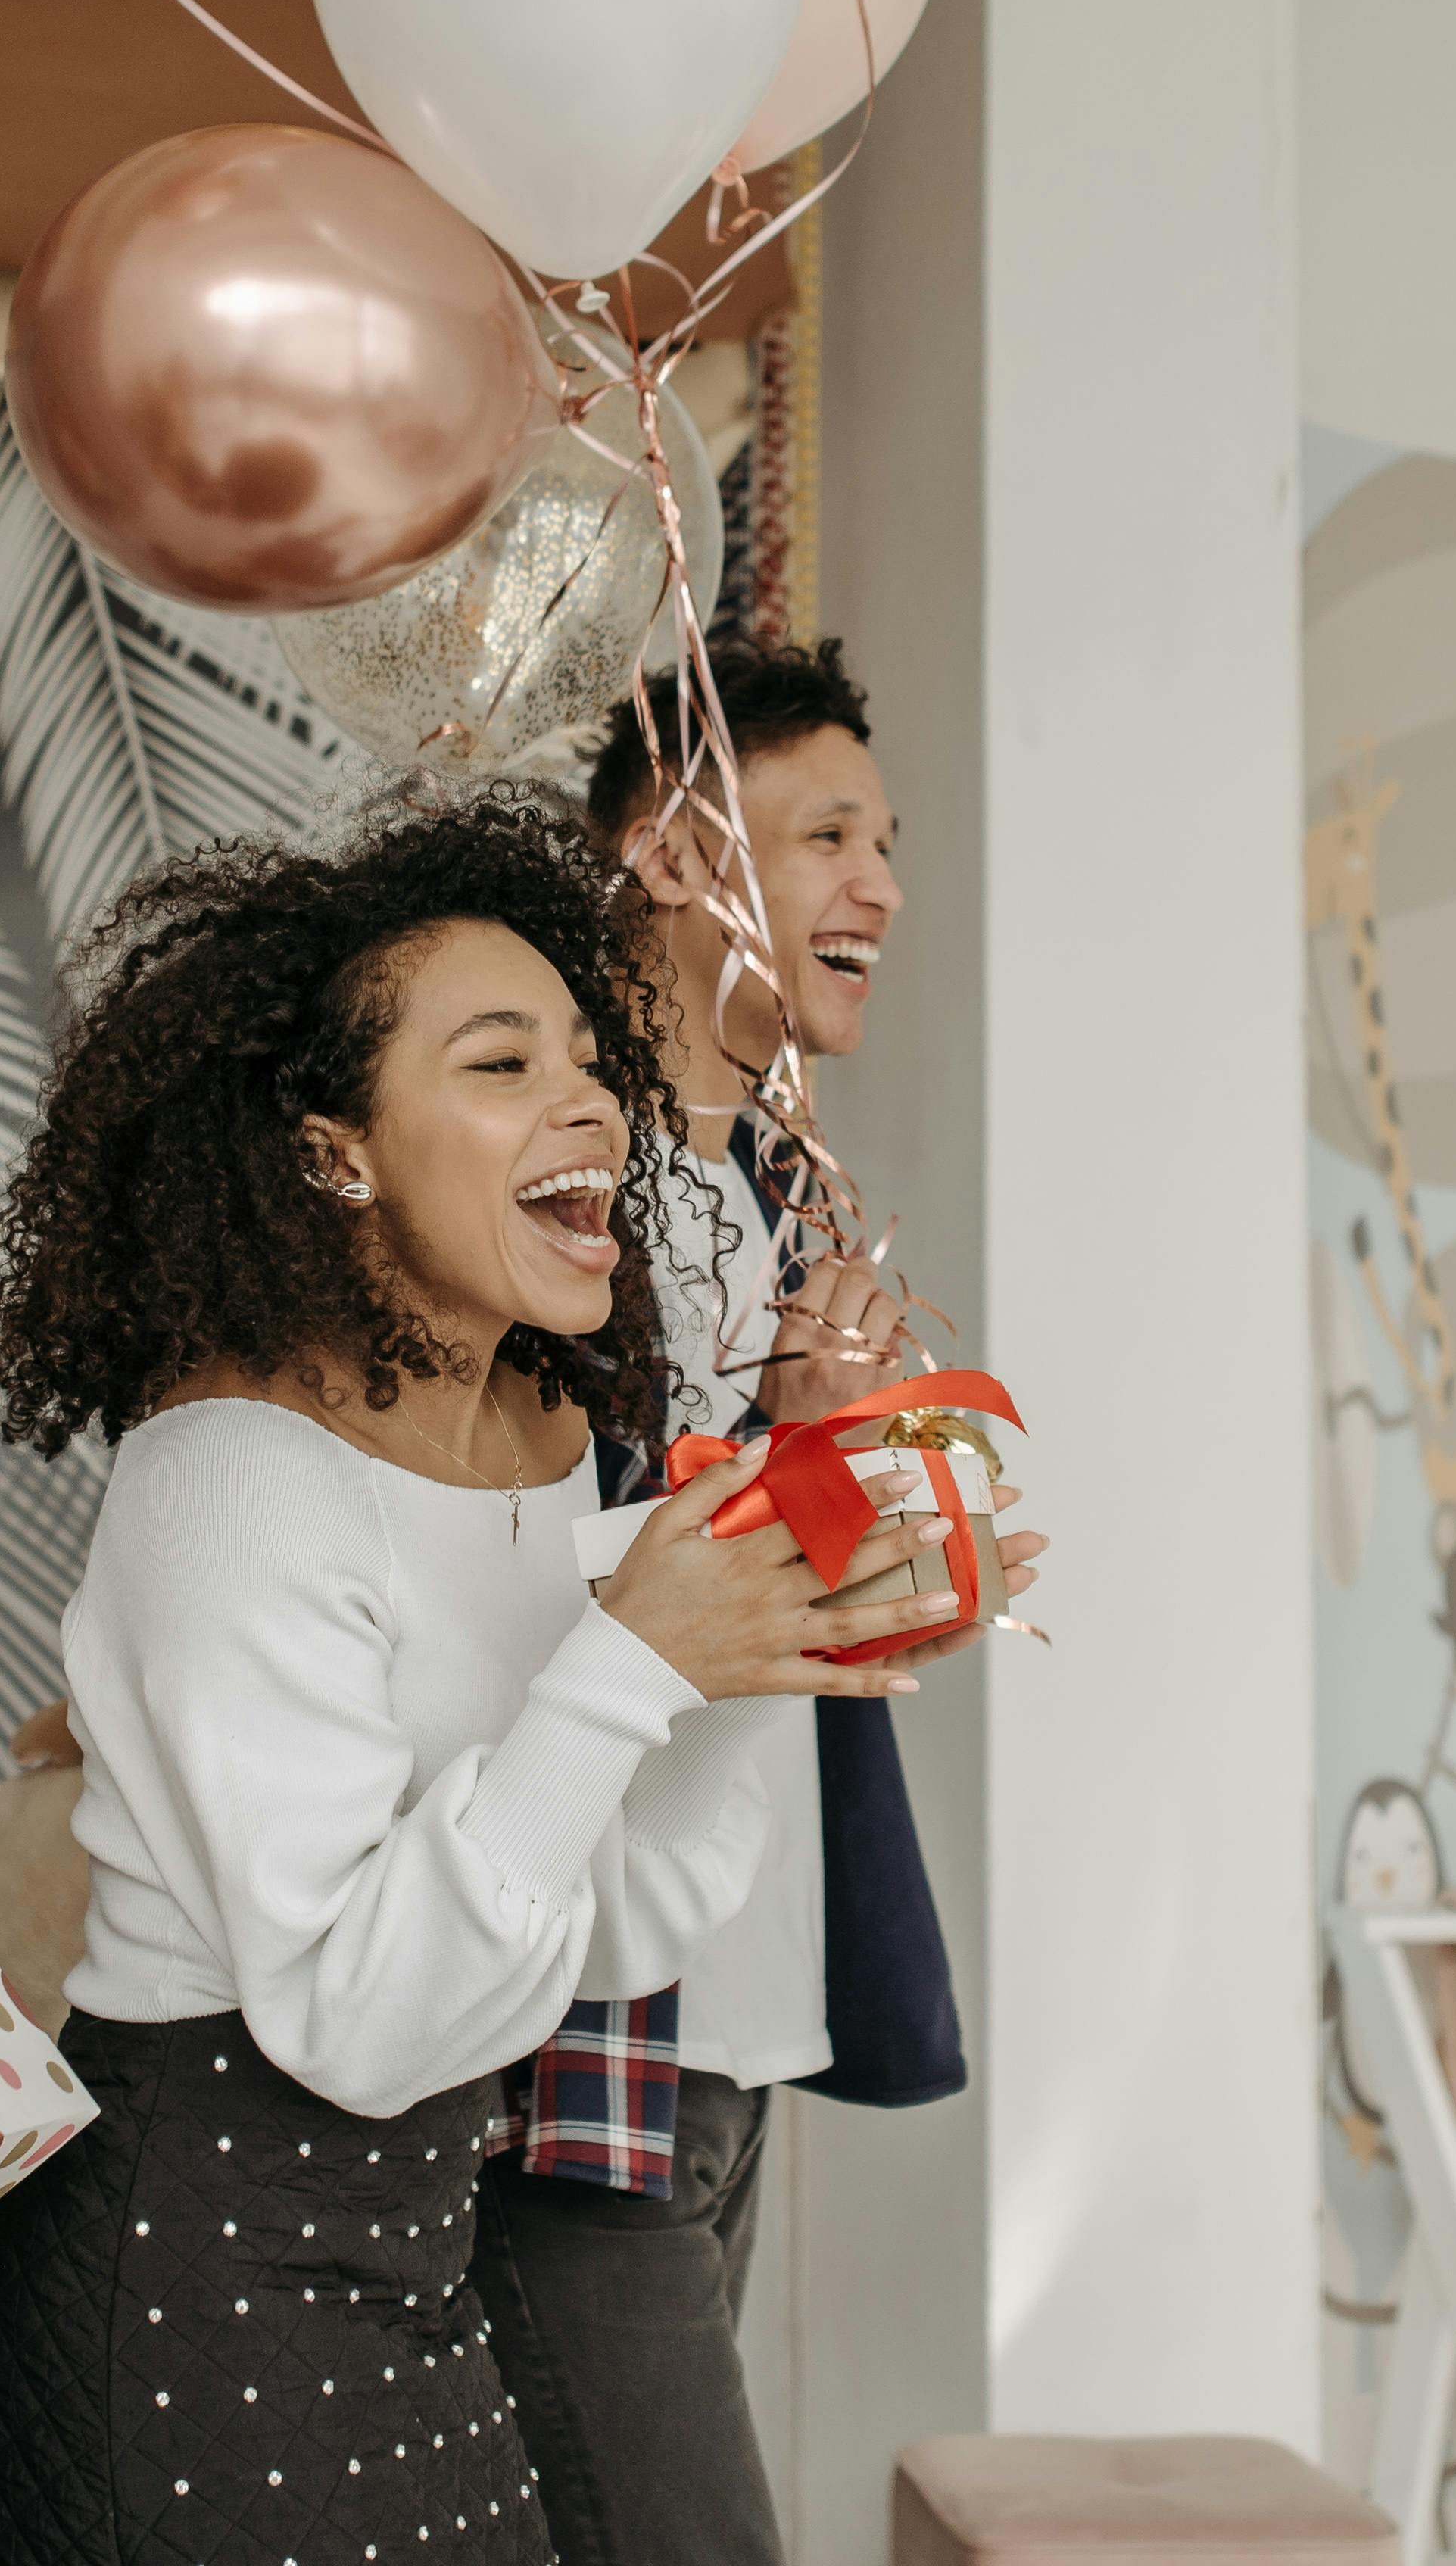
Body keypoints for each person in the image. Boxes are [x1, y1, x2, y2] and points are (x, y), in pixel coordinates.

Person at [0, 789, 1034, 2566]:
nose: (587, 1099)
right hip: (185, 2297)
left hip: (412, 2280)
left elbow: (616, 1918)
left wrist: (778, 1620)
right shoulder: (224, 1475)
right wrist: (639, 1653)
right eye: (498, 1063)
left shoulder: (553, 1440)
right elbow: (359, 2020)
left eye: (587, 1057)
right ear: (333, 1149)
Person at [467, 636, 965, 2566]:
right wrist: (793, 1454)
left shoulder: (781, 1183)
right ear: (675, 856)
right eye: (826, 832)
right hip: (585, 2016)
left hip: (737, 2001)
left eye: (884, 838)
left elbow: (790, 1587)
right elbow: (510, 1579)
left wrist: (866, 1487)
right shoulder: (553, 1183)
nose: (881, 886)